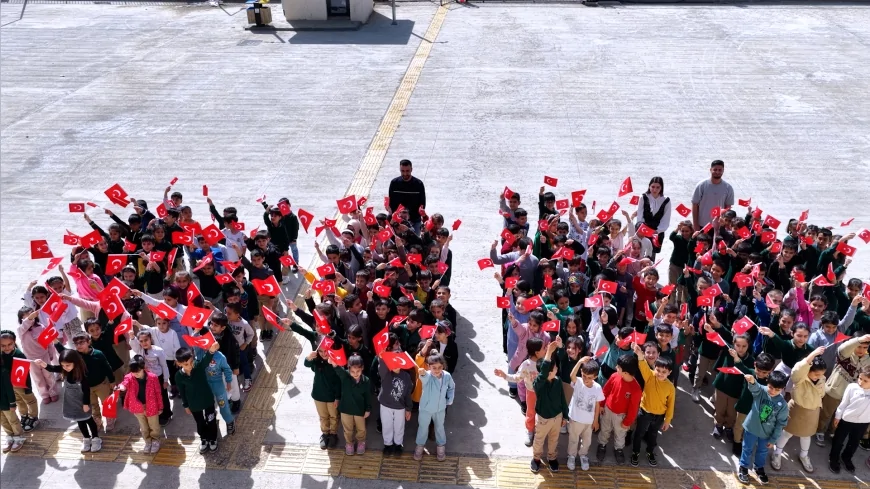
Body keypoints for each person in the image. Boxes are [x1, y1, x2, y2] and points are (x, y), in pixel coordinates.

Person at [772, 347, 827, 473]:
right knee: (787, 433)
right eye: (816, 374)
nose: (819, 376)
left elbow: (822, 393)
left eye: (822, 374)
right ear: (808, 370)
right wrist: (811, 356)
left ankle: (804, 455)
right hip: (797, 410)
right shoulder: (800, 378)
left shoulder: (821, 379)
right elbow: (797, 371)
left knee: (806, 436)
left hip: (812, 411)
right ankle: (777, 453)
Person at [35, 350, 102, 453]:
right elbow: (53, 368)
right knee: (80, 421)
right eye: (63, 365)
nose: (65, 367)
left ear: (75, 362)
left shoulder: (82, 374)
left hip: (82, 402)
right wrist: (43, 364)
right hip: (71, 402)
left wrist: (85, 404)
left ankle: (96, 438)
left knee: (89, 419)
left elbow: (86, 391)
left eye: (68, 365)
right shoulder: (64, 370)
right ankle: (86, 438)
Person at [815, 335, 870, 448]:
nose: (862, 350)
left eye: (865, 347)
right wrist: (858, 339)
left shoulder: (868, 360)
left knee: (840, 414)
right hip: (835, 390)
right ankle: (819, 430)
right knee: (826, 413)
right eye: (859, 346)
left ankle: (832, 431)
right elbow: (843, 348)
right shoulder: (845, 354)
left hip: (852, 394)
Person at [737, 371, 789, 485]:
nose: (773, 391)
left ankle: (759, 467)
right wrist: (751, 381)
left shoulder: (783, 405)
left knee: (763, 451)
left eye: (777, 389)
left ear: (783, 389)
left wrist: (773, 439)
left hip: (767, 433)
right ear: (767, 382)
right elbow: (755, 387)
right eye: (770, 387)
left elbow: (780, 424)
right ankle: (743, 467)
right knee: (747, 448)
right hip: (751, 428)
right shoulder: (762, 391)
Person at [629, 342, 675, 467]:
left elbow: (671, 405)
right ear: (654, 368)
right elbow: (643, 365)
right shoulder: (649, 376)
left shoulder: (671, 387)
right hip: (644, 412)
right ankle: (635, 452)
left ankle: (650, 452)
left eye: (664, 372)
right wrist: (639, 354)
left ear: (669, 372)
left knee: (653, 435)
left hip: (659, 416)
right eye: (658, 370)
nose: (660, 373)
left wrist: (667, 420)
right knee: (639, 434)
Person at [530, 338, 569, 474]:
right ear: (547, 372)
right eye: (554, 369)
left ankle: (552, 458)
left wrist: (565, 415)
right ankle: (536, 459)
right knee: (539, 440)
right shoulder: (538, 384)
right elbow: (543, 374)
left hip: (557, 417)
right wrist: (548, 354)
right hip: (543, 419)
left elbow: (562, 399)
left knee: (554, 439)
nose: (557, 370)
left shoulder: (557, 381)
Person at [174, 342, 222, 453]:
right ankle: (204, 438)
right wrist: (185, 405)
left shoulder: (199, 366)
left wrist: (211, 350)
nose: (190, 366)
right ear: (179, 363)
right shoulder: (178, 376)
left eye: (191, 362)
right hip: (194, 404)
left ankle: (213, 439)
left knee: (211, 420)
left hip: (207, 400)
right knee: (200, 422)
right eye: (186, 364)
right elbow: (182, 391)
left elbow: (206, 358)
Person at [596, 354, 642, 465]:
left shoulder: (636, 389)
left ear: (626, 372)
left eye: (619, 367)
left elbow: (633, 408)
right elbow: (605, 390)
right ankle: (602, 445)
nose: (616, 367)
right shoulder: (615, 376)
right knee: (605, 429)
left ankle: (619, 449)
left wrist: (627, 422)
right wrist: (602, 404)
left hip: (622, 416)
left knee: (620, 434)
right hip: (608, 410)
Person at [115, 355, 164, 454]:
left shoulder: (153, 377)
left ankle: (155, 440)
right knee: (143, 427)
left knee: (154, 426)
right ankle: (147, 441)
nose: (135, 374)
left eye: (137, 372)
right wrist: (121, 387)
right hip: (138, 407)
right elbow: (125, 383)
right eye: (133, 372)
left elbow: (158, 393)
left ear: (143, 368)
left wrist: (160, 407)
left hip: (152, 406)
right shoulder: (129, 377)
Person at [829, 365, 870, 473]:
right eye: (860, 378)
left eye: (865, 381)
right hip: (846, 420)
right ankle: (833, 458)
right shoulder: (852, 387)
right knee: (839, 440)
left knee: (854, 442)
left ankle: (846, 457)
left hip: (863, 422)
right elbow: (844, 403)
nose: (861, 382)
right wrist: (838, 416)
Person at [414, 352, 455, 462]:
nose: (437, 370)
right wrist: (422, 373)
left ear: (443, 366)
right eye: (434, 367)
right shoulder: (427, 375)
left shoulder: (447, 376)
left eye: (439, 367)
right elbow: (423, 377)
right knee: (423, 428)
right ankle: (419, 447)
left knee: (440, 428)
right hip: (425, 409)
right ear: (428, 366)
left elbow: (452, 387)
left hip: (440, 409)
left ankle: (441, 448)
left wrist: (449, 400)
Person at [565, 356, 604, 471]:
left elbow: (597, 405)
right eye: (584, 375)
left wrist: (596, 420)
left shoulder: (597, 388)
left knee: (587, 441)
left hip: (589, 422)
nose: (586, 379)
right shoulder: (578, 382)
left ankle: (583, 455)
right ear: (581, 372)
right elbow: (572, 376)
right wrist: (579, 362)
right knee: (573, 439)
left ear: (595, 377)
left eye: (589, 377)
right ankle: (571, 456)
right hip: (575, 419)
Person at [330, 353, 371, 456]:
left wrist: (368, 409)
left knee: (361, 428)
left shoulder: (366, 381)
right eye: (352, 371)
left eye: (358, 371)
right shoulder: (345, 376)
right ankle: (349, 443)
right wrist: (333, 363)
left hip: (359, 410)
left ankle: (361, 442)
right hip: (346, 409)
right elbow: (338, 369)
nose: (355, 373)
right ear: (348, 369)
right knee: (348, 429)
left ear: (362, 368)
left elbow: (367, 396)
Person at [377, 350, 413, 456]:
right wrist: (382, 358)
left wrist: (408, 408)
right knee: (386, 425)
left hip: (400, 406)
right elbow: (381, 366)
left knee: (399, 426)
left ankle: (398, 444)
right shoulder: (386, 372)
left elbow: (407, 394)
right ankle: (387, 444)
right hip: (385, 404)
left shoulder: (406, 377)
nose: (395, 365)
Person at [0, 331, 27, 453]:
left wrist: (12, 403)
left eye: (9, 344)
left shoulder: (3, 371)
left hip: (6, 401)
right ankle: (10, 436)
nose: (6, 348)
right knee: (3, 421)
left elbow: (9, 388)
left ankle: (19, 437)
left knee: (12, 420)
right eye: (2, 345)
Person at [691, 160, 735, 232]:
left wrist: (726, 225)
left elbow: (728, 208)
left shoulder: (728, 187)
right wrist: (695, 225)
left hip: (719, 226)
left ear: (723, 171)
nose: (717, 172)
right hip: (703, 225)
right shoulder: (701, 185)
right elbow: (694, 205)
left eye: (720, 170)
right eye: (715, 170)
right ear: (710, 170)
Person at [635, 177, 671, 258]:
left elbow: (666, 218)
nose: (655, 190)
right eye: (653, 187)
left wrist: (657, 231)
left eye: (658, 187)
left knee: (651, 256)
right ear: (649, 186)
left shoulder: (666, 200)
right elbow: (640, 215)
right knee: (639, 252)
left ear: (661, 188)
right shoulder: (643, 197)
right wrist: (641, 229)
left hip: (656, 232)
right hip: (643, 230)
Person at [388, 159, 426, 234]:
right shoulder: (394, 183)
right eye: (402, 171)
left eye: (407, 171)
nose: (405, 173)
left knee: (415, 243)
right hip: (397, 222)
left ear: (411, 169)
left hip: (414, 221)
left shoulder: (418, 184)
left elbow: (422, 203)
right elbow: (391, 201)